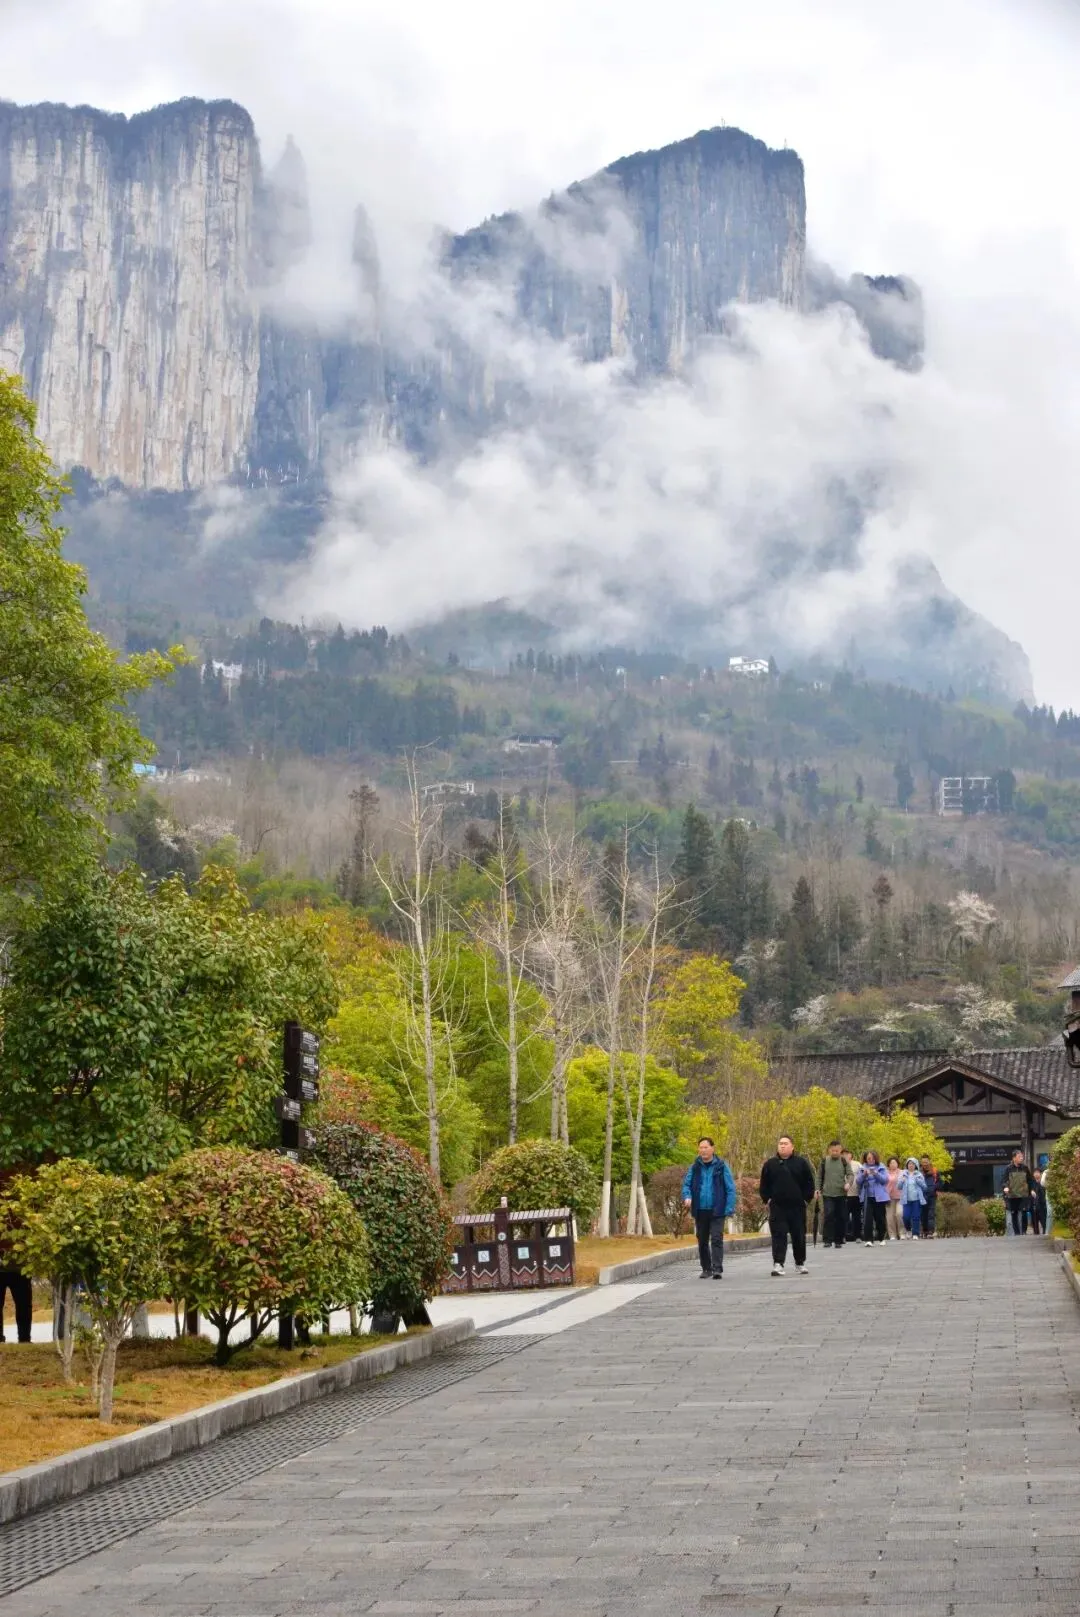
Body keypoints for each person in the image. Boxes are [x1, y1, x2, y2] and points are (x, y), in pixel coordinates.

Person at [759, 1135, 816, 1277]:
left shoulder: (801, 1163)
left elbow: (809, 1183)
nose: (782, 1146)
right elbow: (764, 1184)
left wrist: (805, 1200)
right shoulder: (770, 1164)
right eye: (780, 1144)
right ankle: (778, 1263)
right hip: (778, 1207)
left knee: (798, 1235)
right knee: (778, 1235)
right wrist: (767, 1199)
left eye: (785, 1143)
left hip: (797, 1206)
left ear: (792, 1146)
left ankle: (800, 1263)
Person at [682, 1137, 737, 1279]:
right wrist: (687, 1196)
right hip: (700, 1210)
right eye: (701, 1147)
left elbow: (730, 1188)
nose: (703, 1150)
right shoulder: (695, 1167)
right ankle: (706, 1268)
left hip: (717, 1209)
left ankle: (717, 1268)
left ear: (713, 1148)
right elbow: (687, 1184)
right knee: (702, 1240)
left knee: (717, 1238)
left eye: (706, 1147)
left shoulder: (721, 1166)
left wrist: (729, 1208)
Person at [818, 1139, 854, 1248]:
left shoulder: (844, 1161)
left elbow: (850, 1174)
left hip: (841, 1194)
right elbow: (819, 1176)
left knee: (841, 1216)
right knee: (829, 1215)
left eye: (837, 1151)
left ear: (840, 1150)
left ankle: (838, 1240)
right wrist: (817, 1189)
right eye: (833, 1151)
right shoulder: (824, 1161)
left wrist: (848, 1183)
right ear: (829, 1150)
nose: (835, 1153)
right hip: (828, 1193)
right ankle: (827, 1239)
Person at [857, 1150, 889, 1244]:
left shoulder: (881, 1167)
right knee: (867, 1218)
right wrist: (864, 1174)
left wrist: (876, 1173)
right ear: (866, 1159)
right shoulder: (862, 1168)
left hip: (879, 1197)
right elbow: (858, 1181)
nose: (871, 1160)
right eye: (868, 1158)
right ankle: (868, 1239)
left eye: (872, 1158)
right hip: (867, 1196)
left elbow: (885, 1180)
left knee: (880, 1218)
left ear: (876, 1158)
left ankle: (882, 1238)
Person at [1002, 1150, 1036, 1236]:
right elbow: (1004, 1180)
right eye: (1019, 1156)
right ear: (1014, 1158)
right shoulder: (1008, 1168)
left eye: (1022, 1156)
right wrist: (1005, 1187)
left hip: (1023, 1195)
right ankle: (1017, 1233)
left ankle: (1023, 1231)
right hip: (1012, 1195)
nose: (1021, 1158)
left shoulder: (1025, 1168)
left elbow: (1030, 1180)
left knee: (1024, 1212)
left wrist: (1031, 1190)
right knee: (1014, 1214)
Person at [897, 1157, 927, 1239]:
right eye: (909, 1164)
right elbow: (898, 1187)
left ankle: (915, 1234)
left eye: (913, 1164)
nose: (911, 1165)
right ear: (907, 1165)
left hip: (916, 1199)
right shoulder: (903, 1174)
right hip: (906, 1200)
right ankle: (908, 1229)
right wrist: (902, 1181)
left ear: (916, 1165)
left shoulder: (919, 1174)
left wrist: (919, 1181)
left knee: (916, 1216)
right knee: (905, 1216)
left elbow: (924, 1187)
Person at [842, 1149, 862, 1243]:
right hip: (844, 1195)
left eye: (847, 1153)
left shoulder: (857, 1164)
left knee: (857, 1216)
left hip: (856, 1194)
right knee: (844, 1216)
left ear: (851, 1155)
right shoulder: (839, 1164)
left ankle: (857, 1236)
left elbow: (863, 1174)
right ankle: (843, 1236)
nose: (845, 1155)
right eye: (843, 1154)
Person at [919, 1155, 940, 1238]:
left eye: (926, 1162)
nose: (925, 1164)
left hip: (932, 1196)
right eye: (923, 1162)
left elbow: (940, 1183)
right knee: (923, 1215)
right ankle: (925, 1231)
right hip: (922, 1196)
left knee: (931, 1214)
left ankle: (931, 1231)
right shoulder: (919, 1172)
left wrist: (934, 1188)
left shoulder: (935, 1171)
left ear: (929, 1161)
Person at [884, 1156, 903, 1241]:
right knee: (890, 1217)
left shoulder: (902, 1172)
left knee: (899, 1214)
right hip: (889, 1197)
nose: (893, 1164)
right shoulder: (885, 1173)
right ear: (888, 1164)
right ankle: (892, 1235)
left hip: (900, 1197)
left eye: (894, 1162)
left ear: (897, 1164)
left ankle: (902, 1233)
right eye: (891, 1163)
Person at [1032, 1169, 1048, 1236]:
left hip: (1042, 1205)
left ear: (1041, 1174)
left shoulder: (1043, 1182)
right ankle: (1036, 1235)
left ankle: (1045, 1233)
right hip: (1034, 1205)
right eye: (1035, 1172)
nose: (1036, 1174)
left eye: (1038, 1172)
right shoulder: (1032, 1183)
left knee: (1043, 1221)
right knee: (1035, 1222)